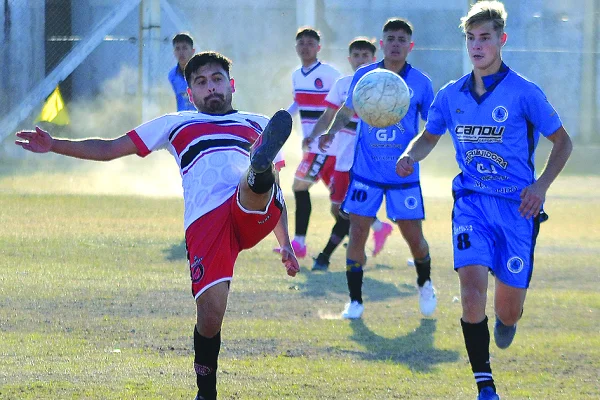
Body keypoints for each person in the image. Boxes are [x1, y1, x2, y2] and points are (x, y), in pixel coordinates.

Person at [15, 51, 300, 400]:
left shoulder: (258, 123)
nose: (211, 87)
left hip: (251, 207)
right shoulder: (174, 124)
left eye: (217, 79)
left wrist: (285, 242)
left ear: (231, 85)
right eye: (200, 82)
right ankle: (205, 391)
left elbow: (279, 192)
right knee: (210, 317)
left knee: (257, 180)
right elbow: (109, 148)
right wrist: (55, 144)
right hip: (205, 222)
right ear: (190, 94)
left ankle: (257, 167)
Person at [395, 2, 572, 399]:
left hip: (517, 209)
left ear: (501, 40)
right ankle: (485, 384)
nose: (477, 46)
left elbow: (562, 142)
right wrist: (410, 155)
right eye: (471, 39)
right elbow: (429, 136)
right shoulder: (450, 94)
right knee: (472, 289)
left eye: (485, 38)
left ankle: (509, 320)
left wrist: (540, 186)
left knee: (507, 311)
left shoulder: (524, 92)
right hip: (471, 203)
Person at [319, 18, 437, 319]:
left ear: (410, 46)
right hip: (366, 173)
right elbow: (348, 110)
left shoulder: (421, 83)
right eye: (390, 38)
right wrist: (332, 132)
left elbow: (432, 127)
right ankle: (355, 301)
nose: (395, 44)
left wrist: (415, 155)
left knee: (414, 238)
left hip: (403, 173)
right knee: (357, 232)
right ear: (381, 43)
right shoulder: (365, 75)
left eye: (401, 39)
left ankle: (425, 283)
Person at [306, 37, 394, 271]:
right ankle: (373, 230)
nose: (360, 59)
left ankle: (325, 257)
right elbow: (328, 115)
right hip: (343, 158)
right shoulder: (343, 84)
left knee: (350, 210)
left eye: (365, 56)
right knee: (337, 209)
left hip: (366, 160)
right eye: (356, 55)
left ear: (374, 58)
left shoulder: (383, 85)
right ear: (350, 59)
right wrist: (316, 135)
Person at [279, 27, 342, 259]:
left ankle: (300, 243)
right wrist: (281, 119)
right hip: (311, 145)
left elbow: (341, 105)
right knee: (338, 199)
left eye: (309, 43)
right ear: (296, 47)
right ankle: (375, 227)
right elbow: (297, 103)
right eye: (301, 43)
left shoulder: (330, 73)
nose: (305, 47)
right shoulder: (296, 75)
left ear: (318, 47)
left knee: (299, 186)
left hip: (324, 146)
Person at [169, 33, 197, 111]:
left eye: (185, 48)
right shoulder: (172, 76)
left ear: (192, 51)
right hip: (181, 118)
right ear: (174, 52)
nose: (181, 52)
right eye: (177, 49)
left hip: (200, 118)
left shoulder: (201, 72)